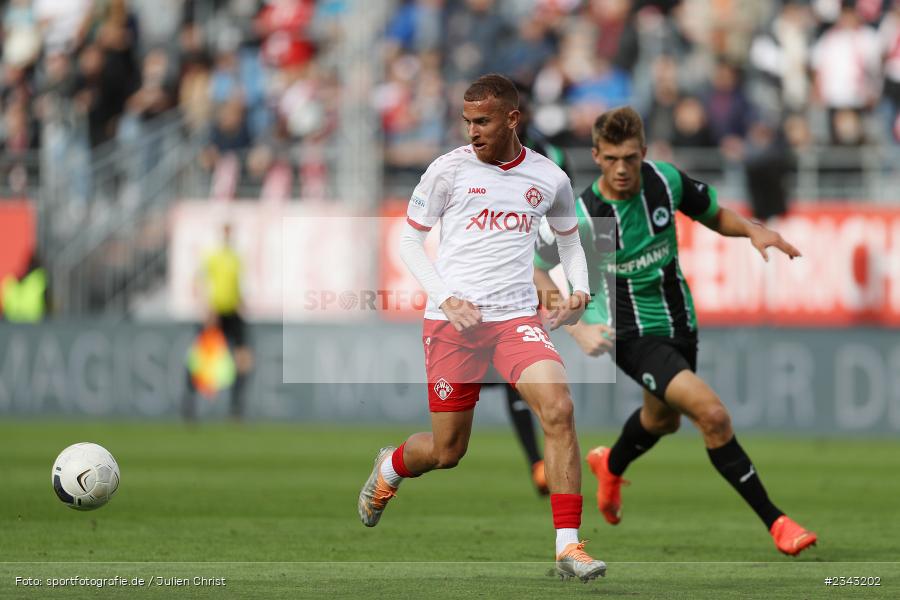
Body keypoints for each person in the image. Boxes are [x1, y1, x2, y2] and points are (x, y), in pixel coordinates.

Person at [533, 106, 817, 556]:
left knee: (661, 420)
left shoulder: (665, 181)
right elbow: (538, 271)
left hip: (680, 322)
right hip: (630, 334)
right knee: (712, 415)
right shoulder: (583, 215)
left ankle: (612, 462)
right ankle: (777, 521)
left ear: (643, 153)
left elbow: (714, 213)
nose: (622, 169)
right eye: (610, 159)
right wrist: (576, 323)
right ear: (596, 155)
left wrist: (752, 230)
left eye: (630, 157)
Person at [358, 74, 606, 581]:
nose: (472, 131)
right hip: (453, 322)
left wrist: (579, 288)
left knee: (559, 409)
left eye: (483, 121)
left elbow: (570, 240)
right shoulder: (447, 172)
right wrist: (445, 297)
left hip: (514, 318)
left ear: (513, 119)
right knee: (447, 451)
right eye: (467, 121)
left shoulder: (548, 177)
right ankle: (391, 466)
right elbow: (409, 242)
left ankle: (567, 547)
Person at [491, 81, 573, 497]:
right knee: (448, 441)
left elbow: (563, 215)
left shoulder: (548, 156)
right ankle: (538, 460)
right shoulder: (479, 154)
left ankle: (539, 462)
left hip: (526, 269)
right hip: (490, 277)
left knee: (515, 372)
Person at [183, 223, 254, 421]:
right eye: (225, 231)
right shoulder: (213, 256)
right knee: (201, 359)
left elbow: (237, 285)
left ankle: (236, 407)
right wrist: (205, 306)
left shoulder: (236, 258)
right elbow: (199, 280)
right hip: (215, 312)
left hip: (232, 311)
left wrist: (241, 303)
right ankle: (190, 404)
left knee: (243, 360)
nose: (228, 235)